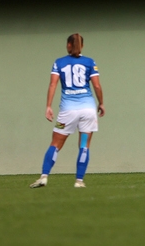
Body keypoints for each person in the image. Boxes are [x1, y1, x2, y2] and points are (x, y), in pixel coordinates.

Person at [29, 33, 104, 189]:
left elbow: (53, 85)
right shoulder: (90, 62)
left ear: (69, 45)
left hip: (67, 111)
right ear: (82, 46)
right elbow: (96, 86)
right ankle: (79, 181)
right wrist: (101, 103)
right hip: (88, 110)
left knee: (56, 144)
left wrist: (48, 106)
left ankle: (44, 176)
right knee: (84, 145)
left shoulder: (59, 62)